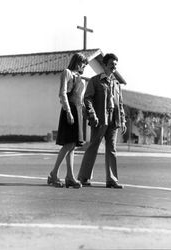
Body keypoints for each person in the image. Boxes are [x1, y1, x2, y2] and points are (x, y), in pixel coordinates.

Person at [77, 53, 126, 188]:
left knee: (112, 149)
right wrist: (93, 114)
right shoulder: (95, 80)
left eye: (115, 64)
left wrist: (123, 120)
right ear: (104, 65)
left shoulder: (116, 84)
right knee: (93, 147)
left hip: (113, 120)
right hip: (99, 119)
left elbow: (120, 104)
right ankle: (83, 177)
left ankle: (112, 180)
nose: (114, 67)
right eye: (111, 64)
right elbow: (87, 98)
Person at [47, 53, 88, 188]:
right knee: (68, 145)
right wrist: (68, 112)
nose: (84, 66)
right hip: (69, 109)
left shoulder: (81, 79)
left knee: (72, 146)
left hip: (77, 111)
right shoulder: (67, 73)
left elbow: (80, 100)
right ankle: (54, 174)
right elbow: (62, 93)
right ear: (77, 62)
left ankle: (70, 177)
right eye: (83, 63)